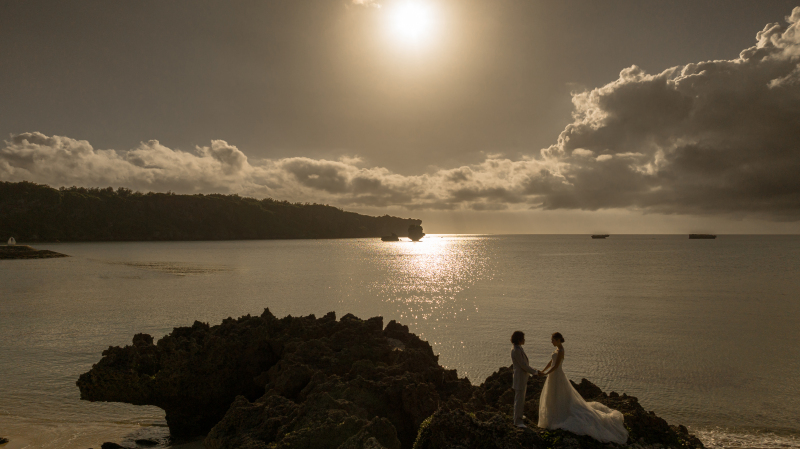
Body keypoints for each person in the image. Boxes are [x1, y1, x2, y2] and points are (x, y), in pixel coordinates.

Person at [538, 332, 629, 444]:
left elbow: (556, 366)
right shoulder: (557, 350)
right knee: (552, 395)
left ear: (557, 340)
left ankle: (558, 416)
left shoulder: (561, 350)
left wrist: (546, 373)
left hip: (557, 375)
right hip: (553, 376)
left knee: (559, 395)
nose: (551, 341)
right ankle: (552, 416)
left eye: (552, 340)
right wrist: (543, 370)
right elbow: (551, 362)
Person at [510, 330, 544, 428]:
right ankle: (517, 421)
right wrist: (536, 372)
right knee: (519, 400)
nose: (524, 340)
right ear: (519, 339)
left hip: (522, 378)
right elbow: (523, 365)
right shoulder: (516, 350)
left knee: (521, 398)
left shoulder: (518, 348)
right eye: (523, 338)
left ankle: (519, 416)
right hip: (519, 378)